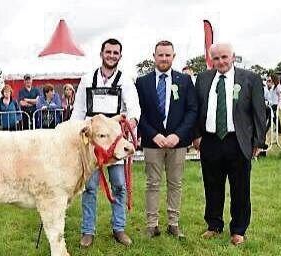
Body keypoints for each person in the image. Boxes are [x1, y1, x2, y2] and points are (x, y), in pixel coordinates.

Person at [192, 43, 266, 245]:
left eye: (224, 57)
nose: (221, 62)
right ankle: (214, 225)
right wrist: (196, 135)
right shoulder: (203, 78)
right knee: (212, 186)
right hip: (211, 141)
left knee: (240, 188)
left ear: (233, 56)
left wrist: (258, 141)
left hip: (238, 141)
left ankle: (238, 230)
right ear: (211, 59)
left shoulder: (250, 78)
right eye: (216, 58)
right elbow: (196, 109)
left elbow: (259, 112)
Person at [71, 38, 141, 247]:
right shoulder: (87, 79)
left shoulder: (125, 80)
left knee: (119, 185)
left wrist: (132, 121)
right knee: (90, 188)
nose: (111, 56)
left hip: (115, 143)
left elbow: (134, 108)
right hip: (94, 145)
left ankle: (119, 228)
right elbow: (79, 111)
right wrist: (76, 133)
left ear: (120, 55)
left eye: (115, 53)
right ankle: (88, 231)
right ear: (101, 54)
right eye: (108, 52)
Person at [136, 40, 198, 239]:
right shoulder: (142, 82)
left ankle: (173, 223)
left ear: (173, 56)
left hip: (177, 142)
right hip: (152, 141)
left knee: (175, 183)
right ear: (154, 56)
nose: (164, 58)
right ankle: (152, 224)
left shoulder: (185, 81)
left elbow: (191, 111)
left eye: (167, 55)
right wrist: (153, 134)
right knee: (152, 183)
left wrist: (177, 135)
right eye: (160, 55)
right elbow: (139, 113)